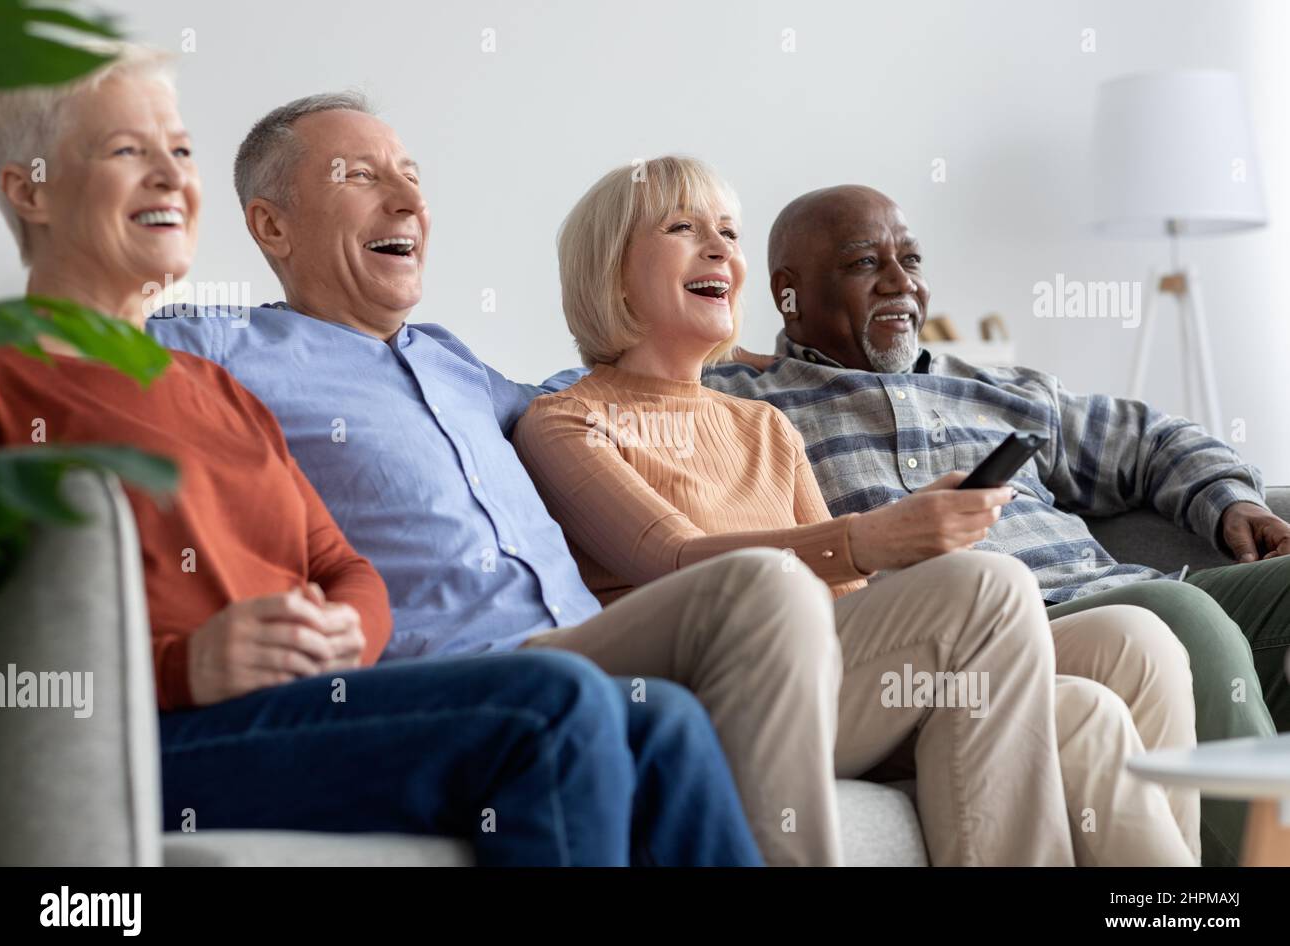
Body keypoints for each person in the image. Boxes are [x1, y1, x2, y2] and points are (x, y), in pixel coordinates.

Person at [153, 92, 1134, 866]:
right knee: (762, 583)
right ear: (270, 225)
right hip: (459, 679)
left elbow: (609, 398)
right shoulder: (221, 348)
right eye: (362, 178)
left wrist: (736, 359)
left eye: (411, 177)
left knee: (1008, 603)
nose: (409, 201)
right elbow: (79, 341)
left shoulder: (464, 367)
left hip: (592, 646)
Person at [0, 50, 762, 867]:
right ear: (30, 189)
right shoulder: (37, 377)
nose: (170, 177)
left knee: (666, 720)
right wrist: (185, 666)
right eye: (125, 150)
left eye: (180, 152)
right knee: (553, 703)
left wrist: (340, 634)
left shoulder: (215, 391)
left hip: (316, 703)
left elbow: (342, 564)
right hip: (168, 733)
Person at [521, 155, 1199, 867]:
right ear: (612, 270)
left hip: (834, 674)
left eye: (728, 230)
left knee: (1115, 668)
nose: (720, 247)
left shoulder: (762, 426)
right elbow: (670, 560)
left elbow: (847, 600)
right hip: (714, 687)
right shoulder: (566, 421)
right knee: (985, 585)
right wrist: (874, 538)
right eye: (683, 227)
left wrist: (898, 552)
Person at [702, 183, 1289, 866]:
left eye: (912, 261)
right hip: (995, 629)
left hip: (1115, 588)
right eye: (865, 264)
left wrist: (1230, 500)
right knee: (1174, 615)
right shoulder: (750, 406)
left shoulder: (1005, 388)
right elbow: (623, 386)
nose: (900, 283)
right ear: (789, 293)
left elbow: (1152, 439)